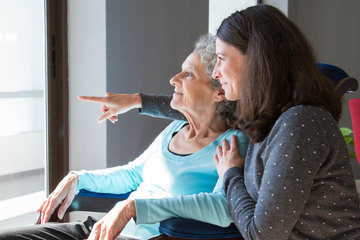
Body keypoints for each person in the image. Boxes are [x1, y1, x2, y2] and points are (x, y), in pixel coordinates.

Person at [84, 4, 360, 240]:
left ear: (257, 61)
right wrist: (136, 101)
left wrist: (230, 174)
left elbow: (262, 234)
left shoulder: (299, 124)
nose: (216, 71)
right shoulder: (267, 118)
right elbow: (203, 108)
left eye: (221, 58)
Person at [0, 34, 249, 240]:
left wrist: (134, 208)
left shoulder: (232, 143)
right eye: (180, 72)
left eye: (189, 74)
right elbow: (132, 174)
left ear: (219, 92)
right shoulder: (174, 128)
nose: (174, 80)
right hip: (103, 230)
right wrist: (78, 177)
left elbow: (221, 206)